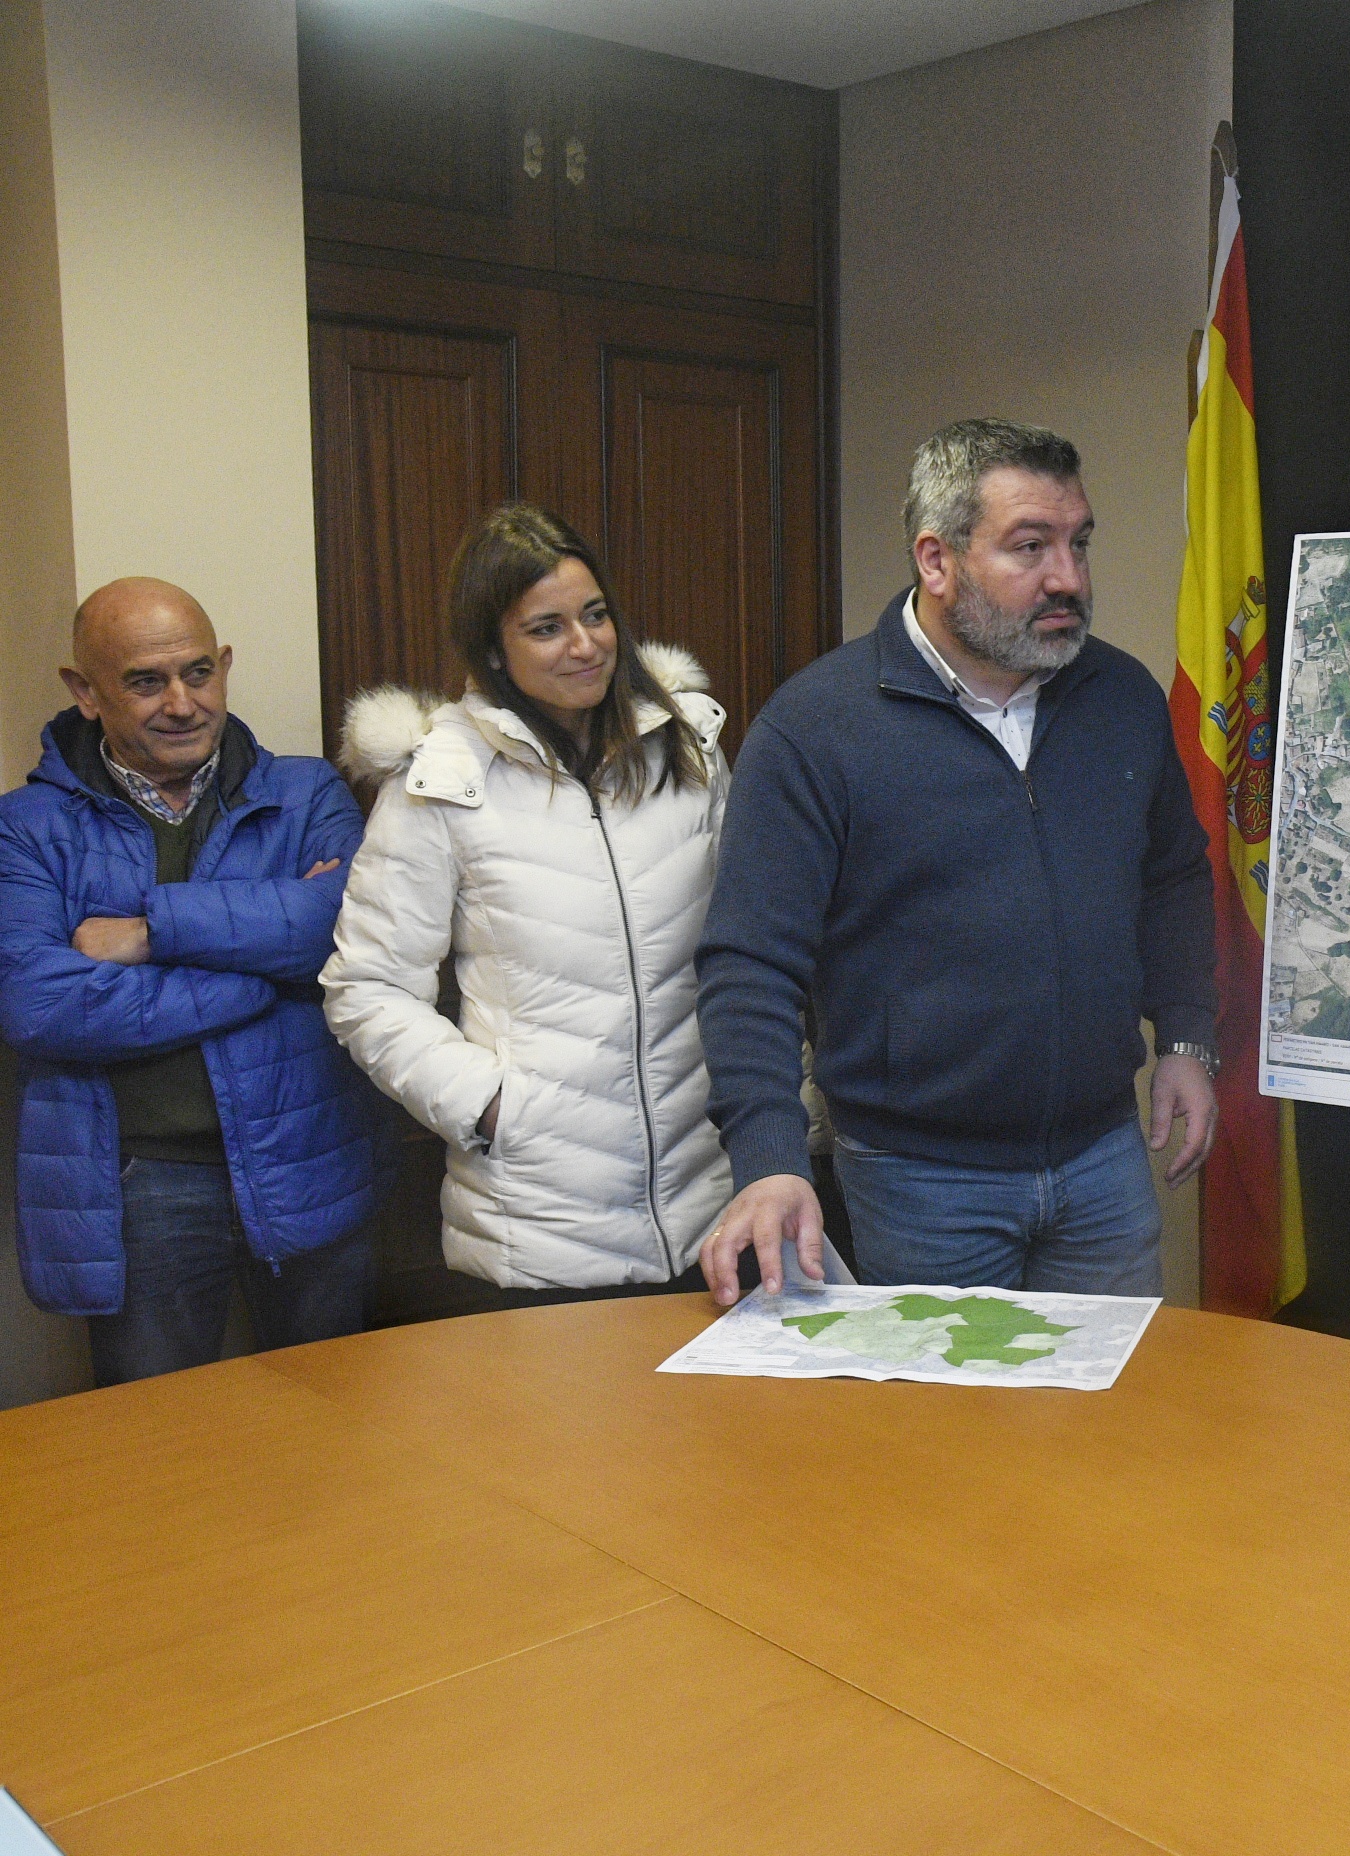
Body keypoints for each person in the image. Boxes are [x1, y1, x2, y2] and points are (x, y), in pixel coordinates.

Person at [697, 418, 1217, 1304]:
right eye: (1030, 547)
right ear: (935, 561)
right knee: (949, 1438)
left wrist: (1185, 1035)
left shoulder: (1121, 697)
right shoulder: (818, 728)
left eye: (1078, 543)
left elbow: (1171, 877)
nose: (1069, 578)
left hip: (1102, 1159)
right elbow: (750, 962)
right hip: (919, 1179)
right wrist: (768, 1158)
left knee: (1122, 1430)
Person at [322, 504, 733, 1293]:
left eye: (596, 615)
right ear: (494, 651)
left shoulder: (689, 752)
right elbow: (366, 989)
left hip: (708, 1198)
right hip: (540, 1223)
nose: (585, 645)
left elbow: (742, 945)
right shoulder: (441, 782)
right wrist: (493, 1108)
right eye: (546, 628)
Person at [0, 578, 375, 1384]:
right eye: (146, 682)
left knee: (343, 1429)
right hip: (142, 1188)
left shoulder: (305, 793)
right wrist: (261, 978)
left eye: (199, 673)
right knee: (156, 1449)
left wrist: (149, 934)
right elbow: (41, 1004)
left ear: (225, 666)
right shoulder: (27, 830)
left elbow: (343, 928)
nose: (182, 702)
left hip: (310, 1156)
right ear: (85, 691)